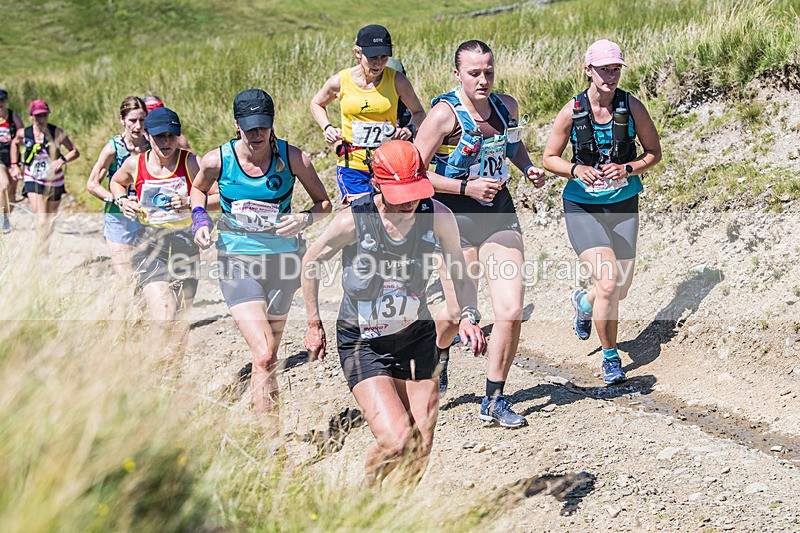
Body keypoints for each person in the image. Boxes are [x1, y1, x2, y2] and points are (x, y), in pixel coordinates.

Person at [302, 140, 486, 485]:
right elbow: (310, 261)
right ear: (377, 185)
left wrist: (468, 315)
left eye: (416, 192)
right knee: (397, 440)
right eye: (401, 196)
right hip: (364, 342)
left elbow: (460, 273)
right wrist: (314, 323)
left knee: (420, 447)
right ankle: (366, 498)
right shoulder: (353, 221)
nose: (411, 204)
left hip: (415, 338)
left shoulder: (438, 217)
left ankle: (394, 514)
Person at [414, 40, 545, 428]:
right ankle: (438, 352)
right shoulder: (442, 116)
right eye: (474, 73)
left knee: (511, 311)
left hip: (499, 215)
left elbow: (513, 145)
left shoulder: (507, 106)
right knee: (458, 313)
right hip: (453, 220)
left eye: (488, 71)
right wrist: (464, 188)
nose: (483, 80)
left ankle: (494, 397)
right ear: (457, 74)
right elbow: (416, 175)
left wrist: (527, 168)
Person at [191, 88, 331, 414]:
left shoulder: (294, 158)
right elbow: (197, 191)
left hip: (283, 264)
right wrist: (200, 220)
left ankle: (266, 433)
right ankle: (267, 433)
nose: (256, 134)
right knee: (266, 351)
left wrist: (303, 219)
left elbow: (323, 204)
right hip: (237, 260)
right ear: (236, 124)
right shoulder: (217, 160)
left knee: (266, 356)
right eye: (249, 126)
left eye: (262, 126)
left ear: (272, 123)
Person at [542, 39, 661, 384]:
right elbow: (549, 158)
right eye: (603, 69)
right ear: (588, 70)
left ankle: (583, 301)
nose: (610, 76)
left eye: (615, 69)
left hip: (623, 204)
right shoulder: (572, 110)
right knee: (608, 284)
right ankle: (611, 358)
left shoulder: (632, 106)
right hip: (582, 207)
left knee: (617, 289)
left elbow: (654, 153)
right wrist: (576, 170)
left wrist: (628, 169)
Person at [109, 107, 217, 330]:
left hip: (185, 244)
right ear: (147, 136)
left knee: (179, 321)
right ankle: (151, 359)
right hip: (150, 243)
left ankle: (169, 364)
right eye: (160, 136)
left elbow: (217, 197)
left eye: (171, 135)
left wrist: (189, 202)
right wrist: (122, 201)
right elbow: (117, 182)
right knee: (165, 315)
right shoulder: (134, 163)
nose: (166, 141)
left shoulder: (190, 162)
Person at [310, 24, 426, 204]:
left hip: (389, 163)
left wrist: (409, 129)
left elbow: (419, 113)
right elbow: (316, 104)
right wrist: (327, 127)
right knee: (363, 215)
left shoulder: (397, 80)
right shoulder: (340, 81)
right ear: (357, 53)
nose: (378, 63)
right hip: (353, 165)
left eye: (384, 57)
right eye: (372, 57)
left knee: (390, 218)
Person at [86, 96, 149, 277]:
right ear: (122, 120)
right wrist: (118, 200)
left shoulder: (152, 146)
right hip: (117, 218)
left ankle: (123, 304)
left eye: (142, 120)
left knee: (143, 273)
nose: (137, 126)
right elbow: (92, 184)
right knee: (125, 274)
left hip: (146, 217)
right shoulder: (113, 148)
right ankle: (118, 302)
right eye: (132, 120)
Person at [10, 100, 80, 239]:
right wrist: (14, 165)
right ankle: (38, 252)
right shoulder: (24, 133)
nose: (41, 119)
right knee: (42, 220)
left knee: (49, 219)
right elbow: (15, 144)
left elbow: (74, 151)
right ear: (31, 116)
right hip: (33, 177)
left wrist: (62, 160)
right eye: (38, 116)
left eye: (44, 115)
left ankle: (44, 250)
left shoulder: (57, 132)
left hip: (55, 181)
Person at [0, 88, 24, 232]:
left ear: (6, 101)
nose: (0, 104)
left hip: (12, 156)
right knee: (4, 186)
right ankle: (2, 219)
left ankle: (7, 218)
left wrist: (15, 141)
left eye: (2, 101)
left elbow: (23, 135)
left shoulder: (13, 116)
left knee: (12, 193)